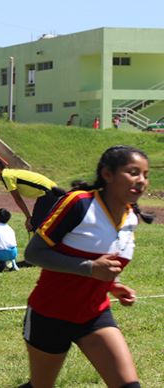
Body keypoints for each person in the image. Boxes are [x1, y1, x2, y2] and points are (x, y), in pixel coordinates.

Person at [20, 145, 152, 388]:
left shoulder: (131, 217)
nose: (141, 181)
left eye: (145, 174)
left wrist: (114, 285)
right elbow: (34, 253)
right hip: (50, 315)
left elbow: (103, 264)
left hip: (94, 315)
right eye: (133, 172)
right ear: (107, 174)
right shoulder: (79, 204)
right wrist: (89, 268)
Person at [0, 160, 64, 232]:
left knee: (34, 224)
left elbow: (18, 199)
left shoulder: (6, 176)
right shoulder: (8, 173)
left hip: (48, 192)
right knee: (43, 222)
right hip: (49, 191)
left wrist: (28, 217)